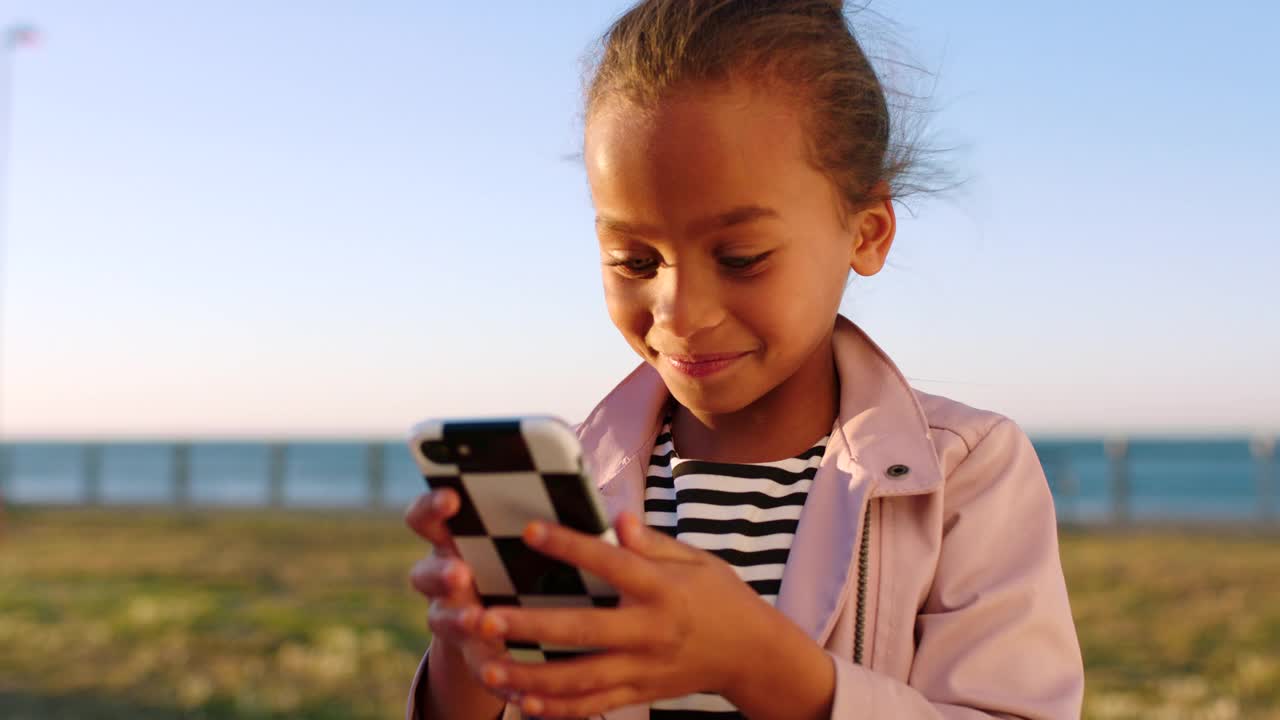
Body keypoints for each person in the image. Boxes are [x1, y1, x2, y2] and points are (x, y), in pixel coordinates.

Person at [404, 1, 1084, 718]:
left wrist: (762, 667)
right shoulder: (581, 490)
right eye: (634, 259)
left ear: (868, 233)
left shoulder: (965, 475)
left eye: (740, 257)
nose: (680, 310)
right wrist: (474, 655)